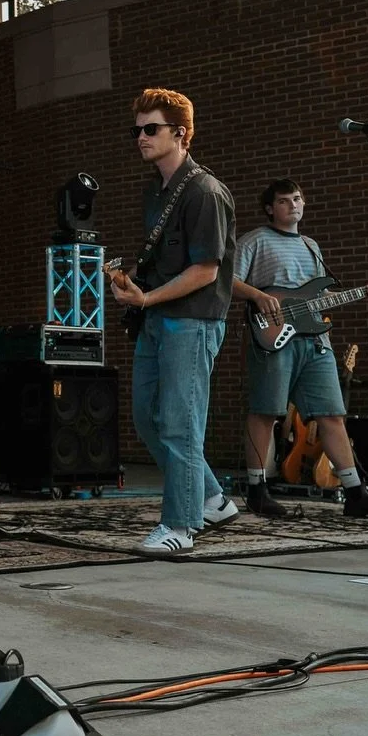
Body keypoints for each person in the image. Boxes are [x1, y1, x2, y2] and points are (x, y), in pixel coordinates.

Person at [109, 88, 239, 556]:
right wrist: (132, 287)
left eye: (151, 129)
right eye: (137, 130)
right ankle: (211, 499)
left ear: (180, 134)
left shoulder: (204, 191)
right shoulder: (156, 192)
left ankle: (181, 527)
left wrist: (148, 299)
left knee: (180, 425)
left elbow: (206, 270)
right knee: (148, 418)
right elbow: (166, 265)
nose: (140, 137)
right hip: (157, 318)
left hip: (191, 322)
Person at [231, 179, 368, 517]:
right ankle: (256, 489)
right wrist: (258, 295)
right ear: (270, 208)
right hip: (272, 338)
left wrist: (362, 293)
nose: (293, 205)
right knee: (267, 411)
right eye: (284, 201)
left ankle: (355, 493)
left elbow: (317, 296)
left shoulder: (311, 245)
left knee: (332, 413)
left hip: (315, 342)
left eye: (297, 199)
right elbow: (225, 281)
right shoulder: (254, 240)